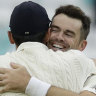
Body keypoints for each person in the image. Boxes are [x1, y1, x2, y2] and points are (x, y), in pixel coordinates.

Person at [0, 1, 96, 96]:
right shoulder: (85, 64)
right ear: (48, 33)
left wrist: (29, 84)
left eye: (68, 34)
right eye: (55, 30)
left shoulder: (89, 71)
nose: (59, 37)